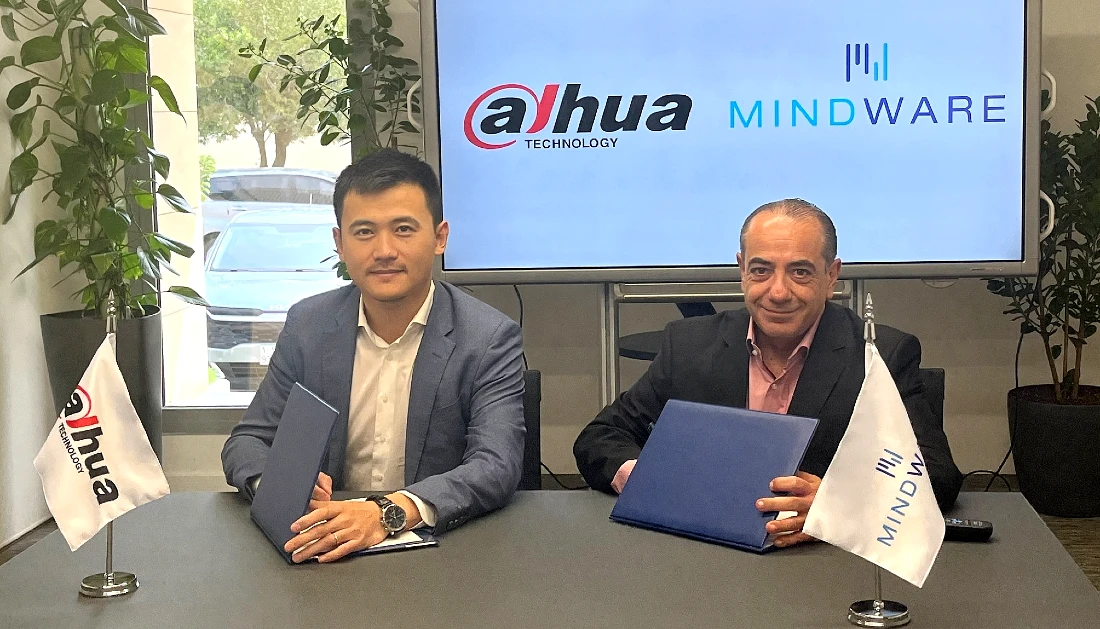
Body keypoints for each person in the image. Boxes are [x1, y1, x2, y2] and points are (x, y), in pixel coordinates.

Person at [573, 199, 963, 547]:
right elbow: (600, 438)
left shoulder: (880, 355)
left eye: (800, 272)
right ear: (742, 269)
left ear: (831, 276)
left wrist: (840, 503)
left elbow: (938, 474)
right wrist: (650, 479)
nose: (778, 292)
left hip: (823, 565)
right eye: (761, 270)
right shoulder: (689, 344)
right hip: (703, 554)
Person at [222, 149, 526, 563]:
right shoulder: (308, 325)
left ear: (439, 237)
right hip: (322, 547)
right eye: (364, 232)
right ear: (339, 243)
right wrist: (276, 483)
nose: (384, 250)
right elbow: (248, 441)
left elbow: (496, 465)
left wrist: (388, 512)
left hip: (440, 554)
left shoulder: (488, 337)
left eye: (403, 229)